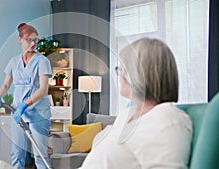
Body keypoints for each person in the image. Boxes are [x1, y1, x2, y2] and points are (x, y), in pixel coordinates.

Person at [79, 38, 193, 169]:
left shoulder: (168, 120)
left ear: (136, 75)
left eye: (121, 70)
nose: (119, 76)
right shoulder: (128, 113)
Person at [0, 23, 52, 169]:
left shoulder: (42, 61)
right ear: (20, 39)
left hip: (38, 113)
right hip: (18, 113)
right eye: (29, 40)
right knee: (17, 154)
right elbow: (6, 84)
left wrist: (25, 105)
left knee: (39, 155)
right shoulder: (14, 61)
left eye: (35, 40)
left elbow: (43, 90)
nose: (33, 44)